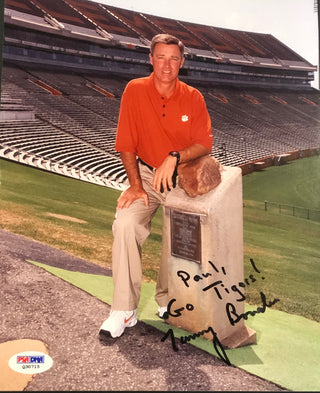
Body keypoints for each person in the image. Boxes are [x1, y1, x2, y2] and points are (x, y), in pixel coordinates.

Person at [99, 33, 213, 338]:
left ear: (182, 62)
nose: (167, 64)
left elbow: (204, 143)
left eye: (174, 58)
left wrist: (174, 157)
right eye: (161, 57)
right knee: (124, 224)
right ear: (151, 59)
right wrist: (135, 186)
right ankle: (124, 310)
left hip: (182, 179)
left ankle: (168, 300)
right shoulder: (134, 90)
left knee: (180, 235)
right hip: (147, 179)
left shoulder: (193, 97)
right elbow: (125, 143)